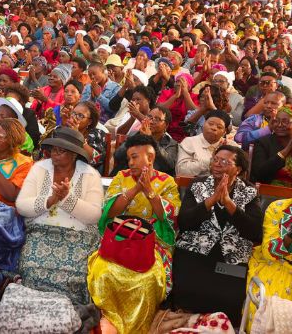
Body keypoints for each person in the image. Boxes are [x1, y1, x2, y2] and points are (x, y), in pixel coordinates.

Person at [88, 134, 181, 334]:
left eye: (135, 157)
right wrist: (136, 188)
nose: (130, 162)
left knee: (147, 278)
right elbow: (110, 212)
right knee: (103, 270)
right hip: (119, 238)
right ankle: (107, 322)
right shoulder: (121, 177)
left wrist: (149, 191)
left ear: (150, 157)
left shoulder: (167, 182)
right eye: (129, 158)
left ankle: (137, 327)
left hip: (153, 242)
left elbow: (169, 218)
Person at [172, 145, 262, 326]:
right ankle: (188, 322)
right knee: (189, 289)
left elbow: (254, 232)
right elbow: (185, 222)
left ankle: (220, 326)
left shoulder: (249, 191)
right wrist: (211, 200)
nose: (217, 164)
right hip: (195, 250)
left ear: (239, 169)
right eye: (215, 159)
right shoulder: (198, 185)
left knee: (228, 297)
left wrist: (229, 204)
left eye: (225, 161)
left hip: (231, 258)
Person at [16, 126, 103, 305]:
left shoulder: (90, 174)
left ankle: (69, 313)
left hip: (79, 236)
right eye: (54, 149)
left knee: (77, 275)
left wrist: (66, 199)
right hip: (41, 232)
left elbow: (94, 215)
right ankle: (33, 311)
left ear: (74, 155)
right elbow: (22, 206)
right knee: (31, 267)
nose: (54, 154)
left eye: (61, 151)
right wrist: (50, 201)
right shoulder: (39, 168)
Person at [246, 168, 292, 325]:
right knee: (266, 314)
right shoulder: (278, 208)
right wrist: (291, 235)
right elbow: (268, 252)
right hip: (275, 267)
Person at [112, 106, 178, 176]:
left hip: (155, 180)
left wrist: (150, 139)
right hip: (129, 177)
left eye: (157, 119)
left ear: (166, 125)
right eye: (150, 117)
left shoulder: (171, 144)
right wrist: (139, 137)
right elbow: (118, 155)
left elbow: (168, 164)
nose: (151, 121)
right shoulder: (138, 135)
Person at [251, 105, 292, 187]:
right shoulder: (263, 143)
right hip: (267, 194)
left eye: (286, 121)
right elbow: (259, 174)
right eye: (276, 121)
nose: (279, 125)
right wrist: (286, 150)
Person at [177, 110, 240, 177]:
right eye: (210, 124)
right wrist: (211, 161)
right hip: (194, 185)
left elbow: (239, 170)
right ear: (203, 124)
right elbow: (181, 171)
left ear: (224, 132)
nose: (213, 128)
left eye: (219, 127)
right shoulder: (189, 142)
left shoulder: (232, 146)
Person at [157, 72, 198, 142]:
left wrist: (185, 93)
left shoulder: (194, 97)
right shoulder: (167, 92)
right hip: (164, 128)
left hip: (184, 132)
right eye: (177, 81)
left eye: (182, 82)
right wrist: (175, 96)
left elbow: (194, 112)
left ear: (189, 86)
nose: (178, 84)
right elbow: (159, 109)